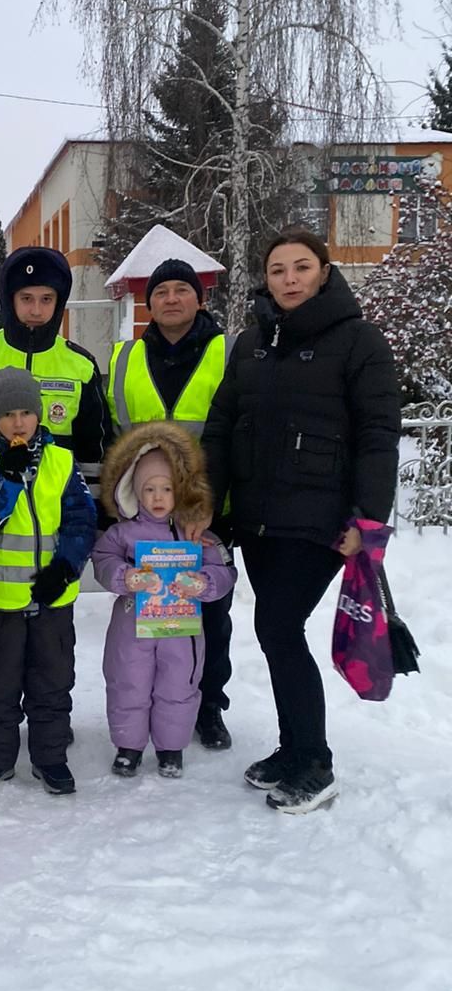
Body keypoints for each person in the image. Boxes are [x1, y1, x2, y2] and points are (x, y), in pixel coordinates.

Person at [201, 227, 400, 813]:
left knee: (281, 630)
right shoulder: (252, 342)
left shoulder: (359, 341)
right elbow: (221, 425)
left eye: (301, 267)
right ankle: (293, 750)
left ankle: (315, 761)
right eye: (278, 269)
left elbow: (378, 435)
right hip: (259, 519)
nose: (289, 279)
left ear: (323, 271)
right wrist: (208, 499)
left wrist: (368, 516)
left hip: (321, 522)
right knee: (274, 631)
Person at [0, 245, 113, 750]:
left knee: (49, 642)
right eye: (25, 298)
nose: (35, 309)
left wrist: (85, 534)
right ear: (7, 301)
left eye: (46, 298)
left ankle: (47, 718)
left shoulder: (79, 365)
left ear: (59, 304)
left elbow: (96, 447)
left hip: (52, 527)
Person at [106, 257, 235, 752]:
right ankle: (149, 708)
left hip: (207, 509)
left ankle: (208, 707)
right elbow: (113, 436)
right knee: (145, 616)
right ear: (148, 303)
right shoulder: (124, 358)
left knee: (209, 613)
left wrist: (215, 502)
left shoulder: (228, 352)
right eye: (161, 292)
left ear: (199, 299)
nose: (171, 299)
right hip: (146, 509)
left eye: (183, 290)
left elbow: (238, 432)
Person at [0, 368, 96, 798]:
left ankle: (50, 756)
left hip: (53, 598)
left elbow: (82, 519)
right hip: (0, 601)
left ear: (39, 415)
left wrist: (67, 567)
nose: (18, 422)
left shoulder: (61, 460)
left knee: (52, 681)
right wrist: (6, 480)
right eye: (8, 414)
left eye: (26, 412)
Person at [92, 421, 236, 778]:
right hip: (132, 627)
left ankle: (171, 748)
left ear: (181, 491)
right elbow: (103, 560)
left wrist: (202, 583)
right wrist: (126, 577)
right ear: (134, 491)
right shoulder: (122, 533)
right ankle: (129, 746)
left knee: (179, 685)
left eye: (167, 489)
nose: (158, 497)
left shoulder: (195, 534)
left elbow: (223, 569)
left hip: (181, 631)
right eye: (149, 489)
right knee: (129, 682)